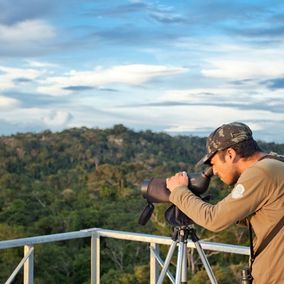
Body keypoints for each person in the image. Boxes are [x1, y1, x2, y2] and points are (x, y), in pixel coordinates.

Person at [166, 122, 284, 284]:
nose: (213, 171)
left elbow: (214, 220)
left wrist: (179, 191)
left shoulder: (260, 172)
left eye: (213, 163)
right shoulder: (276, 164)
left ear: (230, 154)